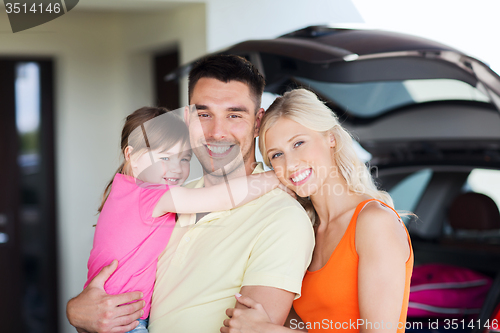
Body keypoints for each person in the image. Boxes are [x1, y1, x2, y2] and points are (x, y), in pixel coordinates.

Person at [66, 55, 315, 333]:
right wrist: (80, 312)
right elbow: (107, 308)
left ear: (258, 123)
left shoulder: (282, 217)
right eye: (204, 114)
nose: (217, 132)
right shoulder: (173, 198)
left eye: (234, 115)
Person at [222, 89, 414, 332]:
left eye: (299, 143)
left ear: (330, 137)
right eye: (277, 155)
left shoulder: (375, 222)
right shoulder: (305, 230)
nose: (290, 164)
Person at [84, 106, 285, 333]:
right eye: (165, 157)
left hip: (112, 314)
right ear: (132, 156)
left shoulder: (122, 191)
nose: (177, 168)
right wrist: (274, 176)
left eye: (185, 158)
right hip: (125, 322)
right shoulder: (150, 194)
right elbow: (219, 197)